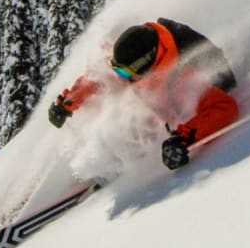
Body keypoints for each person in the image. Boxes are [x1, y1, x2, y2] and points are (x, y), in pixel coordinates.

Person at [48, 18, 239, 170]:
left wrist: (183, 139)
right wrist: (68, 101)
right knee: (126, 114)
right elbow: (100, 77)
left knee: (137, 124)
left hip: (176, 115)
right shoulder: (134, 59)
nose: (121, 75)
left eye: (125, 72)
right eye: (119, 70)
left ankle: (124, 163)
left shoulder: (187, 78)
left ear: (147, 64)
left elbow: (225, 108)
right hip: (157, 101)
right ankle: (117, 160)